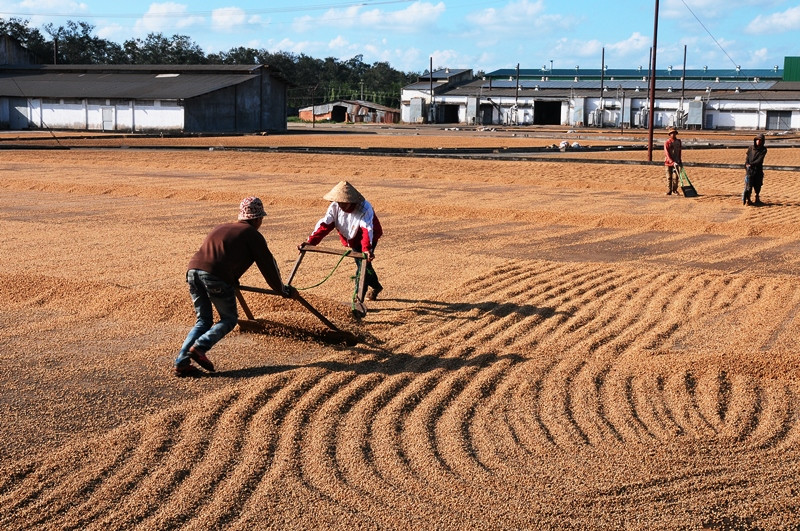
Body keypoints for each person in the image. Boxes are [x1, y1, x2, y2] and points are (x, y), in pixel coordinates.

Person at [174, 197, 293, 377]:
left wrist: (233, 278)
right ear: (257, 219)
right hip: (215, 276)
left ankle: (182, 362)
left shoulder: (220, 227)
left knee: (203, 320)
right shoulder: (252, 235)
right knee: (229, 319)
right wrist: (282, 290)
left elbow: (221, 255)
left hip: (192, 272)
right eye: (261, 219)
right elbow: (268, 266)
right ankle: (200, 347)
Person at [299, 181, 383, 316]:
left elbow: (368, 230)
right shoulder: (335, 207)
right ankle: (376, 287)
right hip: (352, 238)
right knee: (363, 265)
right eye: (339, 202)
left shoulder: (364, 208)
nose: (341, 206)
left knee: (362, 265)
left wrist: (367, 249)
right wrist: (310, 242)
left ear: (352, 201)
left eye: (344, 203)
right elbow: (325, 225)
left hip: (368, 237)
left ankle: (358, 298)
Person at [743, 133, 767, 206]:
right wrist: (746, 164)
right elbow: (747, 157)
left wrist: (751, 164)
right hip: (749, 170)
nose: (758, 142)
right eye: (757, 140)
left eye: (760, 140)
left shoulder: (763, 150)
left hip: (758, 169)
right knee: (749, 185)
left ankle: (757, 197)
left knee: (758, 184)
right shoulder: (751, 148)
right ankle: (748, 199)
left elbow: (759, 160)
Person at [664, 126, 683, 195]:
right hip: (668, 162)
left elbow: (679, 151)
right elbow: (667, 153)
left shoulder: (678, 142)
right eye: (672, 133)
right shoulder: (667, 142)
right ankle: (669, 190)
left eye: (674, 133)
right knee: (669, 177)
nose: (673, 135)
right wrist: (672, 162)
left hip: (677, 161)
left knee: (676, 177)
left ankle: (675, 190)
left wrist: (679, 161)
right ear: (669, 134)